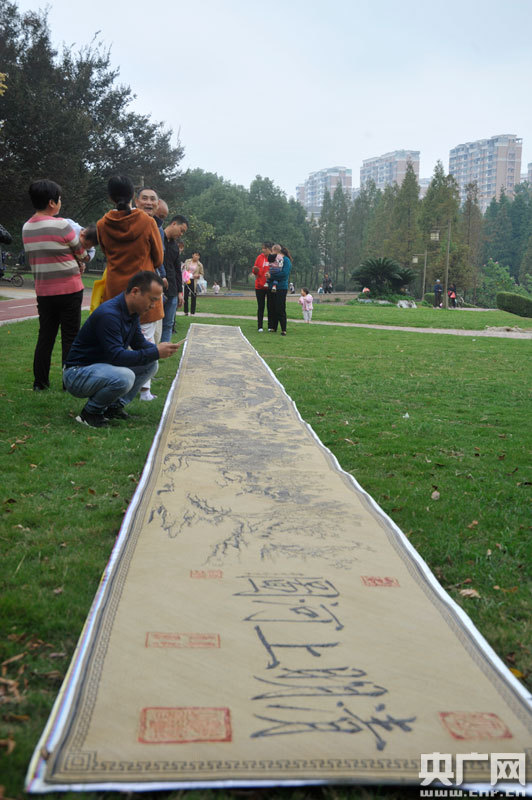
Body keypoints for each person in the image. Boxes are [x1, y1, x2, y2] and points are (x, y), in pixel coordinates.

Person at [64, 271, 181, 428]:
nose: (153, 305)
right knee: (125, 377)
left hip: (99, 368)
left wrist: (159, 350)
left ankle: (113, 408)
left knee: (151, 363)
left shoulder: (131, 312)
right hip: (76, 373)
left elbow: (139, 343)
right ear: (135, 291)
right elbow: (117, 356)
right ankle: (90, 414)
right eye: (152, 299)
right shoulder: (109, 315)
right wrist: (155, 351)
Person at [97, 177, 165, 401]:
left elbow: (106, 253)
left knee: (116, 341)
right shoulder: (147, 222)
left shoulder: (102, 224)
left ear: (110, 197)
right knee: (145, 339)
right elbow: (158, 258)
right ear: (133, 197)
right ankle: (144, 390)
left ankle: (115, 386)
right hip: (143, 289)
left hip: (115, 290)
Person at [22, 179, 88, 391]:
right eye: (59, 199)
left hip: (44, 291)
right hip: (70, 289)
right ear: (52, 202)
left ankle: (40, 383)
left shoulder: (26, 227)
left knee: (46, 336)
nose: (60, 202)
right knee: (70, 337)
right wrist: (81, 260)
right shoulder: (61, 225)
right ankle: (69, 383)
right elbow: (82, 253)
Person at [161, 216, 188, 342]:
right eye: (181, 230)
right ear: (174, 223)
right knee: (153, 323)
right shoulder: (157, 238)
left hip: (172, 291)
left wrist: (180, 292)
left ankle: (165, 349)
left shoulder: (175, 247)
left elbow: (177, 271)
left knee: (168, 324)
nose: (181, 234)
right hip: (157, 289)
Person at [268, 245, 292, 336]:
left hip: (281, 287)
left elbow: (284, 274)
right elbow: (271, 269)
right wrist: (268, 276)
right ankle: (273, 327)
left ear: (277, 251)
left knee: (280, 308)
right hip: (272, 286)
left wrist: (271, 276)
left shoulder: (286, 260)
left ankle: (283, 329)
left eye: (272, 251)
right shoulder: (273, 260)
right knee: (273, 307)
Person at [252, 241, 271, 332]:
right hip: (259, 286)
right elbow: (255, 271)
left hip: (270, 286)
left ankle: (270, 326)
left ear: (269, 249)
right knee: (261, 306)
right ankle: (260, 326)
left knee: (270, 306)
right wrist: (255, 270)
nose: (263, 250)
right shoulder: (259, 257)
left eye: (265, 248)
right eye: (262, 248)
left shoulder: (273, 258)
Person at [182, 251, 204, 315]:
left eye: (198, 255)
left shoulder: (200, 265)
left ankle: (192, 312)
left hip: (194, 281)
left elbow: (202, 274)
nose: (196, 256)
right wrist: (183, 268)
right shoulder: (187, 261)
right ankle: (186, 311)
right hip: (187, 280)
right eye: (195, 255)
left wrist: (198, 276)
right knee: (185, 296)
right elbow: (183, 269)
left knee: (193, 296)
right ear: (192, 255)